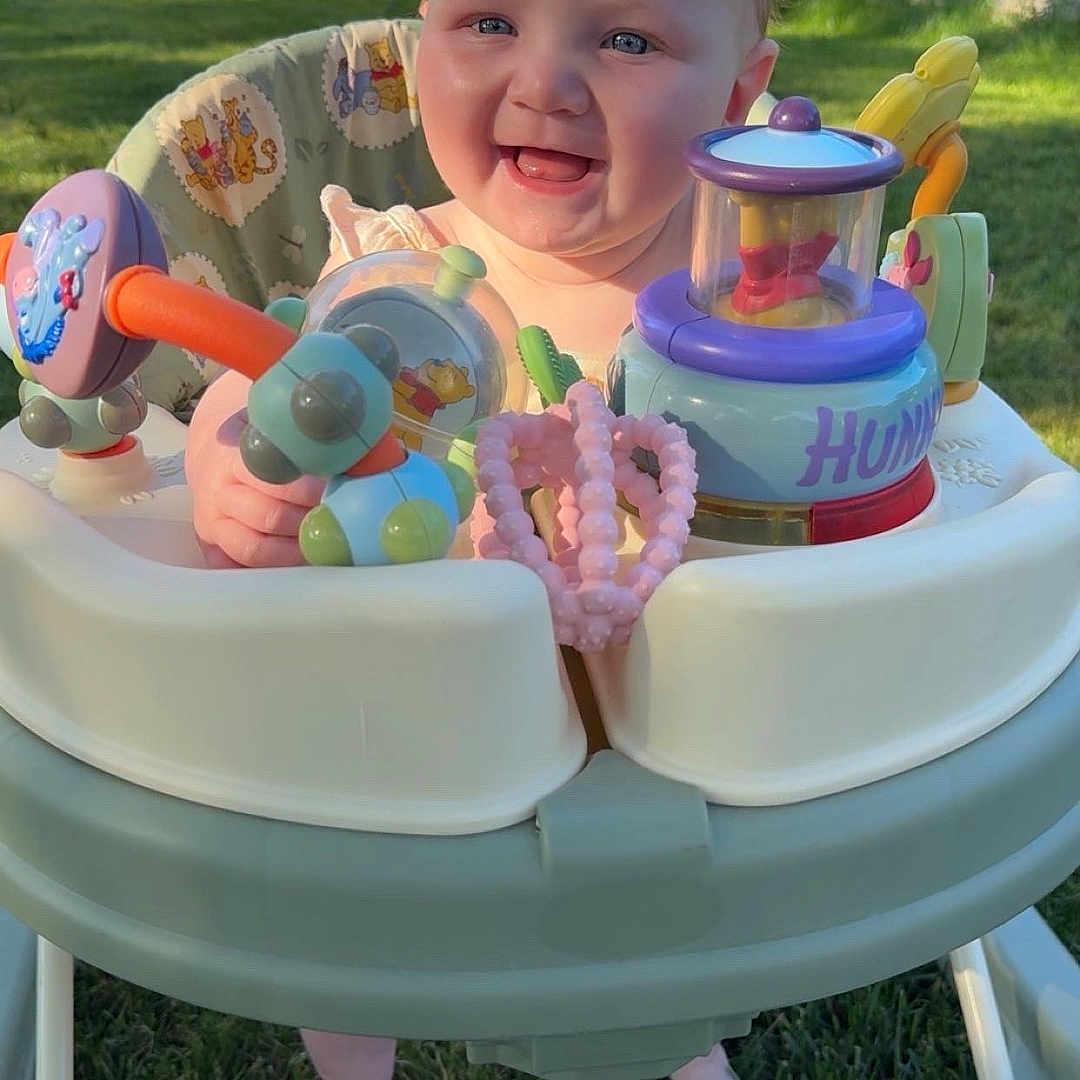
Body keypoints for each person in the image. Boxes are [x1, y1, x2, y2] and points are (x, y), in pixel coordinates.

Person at [187, 1, 778, 1076]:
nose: (544, 84)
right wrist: (228, 464)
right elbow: (272, 381)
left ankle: (667, 1045)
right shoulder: (392, 273)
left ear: (738, 96)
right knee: (339, 923)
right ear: (423, 51)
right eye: (492, 21)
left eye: (629, 40)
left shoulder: (745, 293)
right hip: (396, 741)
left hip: (649, 770)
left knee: (642, 987)